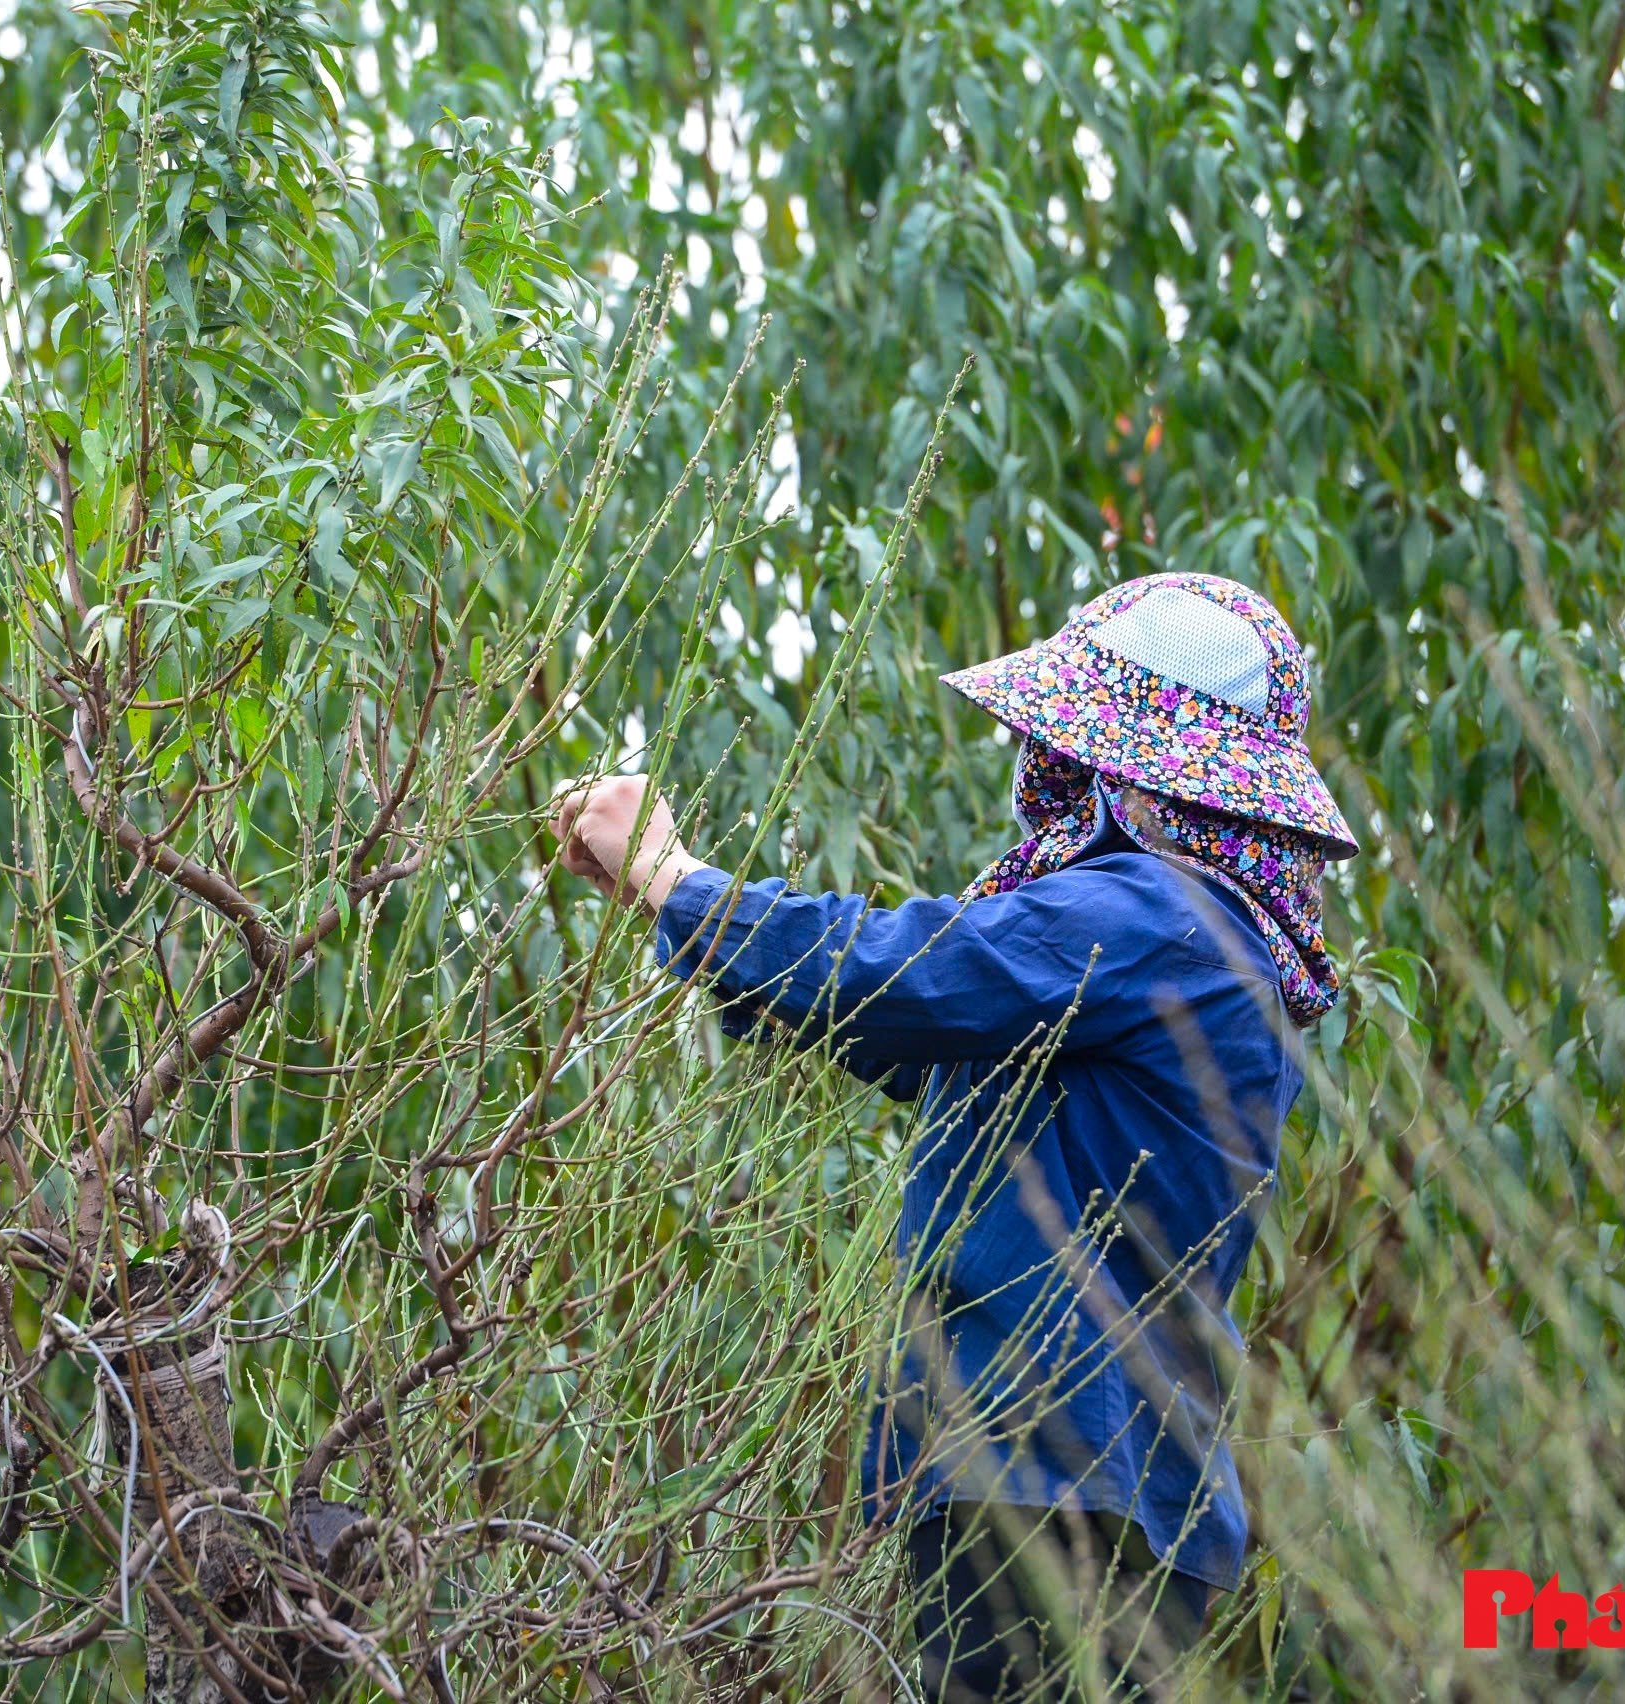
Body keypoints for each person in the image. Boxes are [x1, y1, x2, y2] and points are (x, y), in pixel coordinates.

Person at [552, 573, 1359, 1701]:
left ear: (1136, 761)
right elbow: (910, 1029)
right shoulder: (1191, 933)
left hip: (1061, 1480)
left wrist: (679, 880)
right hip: (1088, 1484)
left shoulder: (1155, 917)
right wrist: (677, 910)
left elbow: (905, 976)